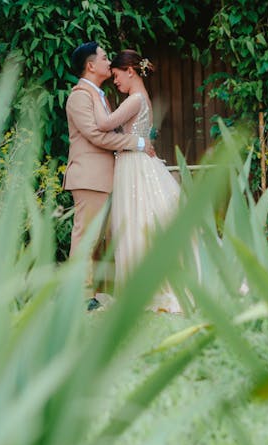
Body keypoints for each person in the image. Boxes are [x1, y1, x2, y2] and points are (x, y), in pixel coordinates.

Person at [88, 50, 183, 313]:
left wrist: (94, 93)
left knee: (136, 223)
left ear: (130, 71)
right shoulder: (144, 99)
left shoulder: (134, 99)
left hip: (133, 166)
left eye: (117, 76)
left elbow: (105, 124)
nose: (115, 82)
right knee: (141, 221)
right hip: (137, 163)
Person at [63, 42, 154, 309]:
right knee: (85, 238)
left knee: (94, 239)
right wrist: (136, 143)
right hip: (89, 177)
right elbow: (96, 134)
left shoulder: (99, 95)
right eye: (103, 58)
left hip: (103, 177)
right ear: (91, 66)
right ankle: (80, 297)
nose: (108, 62)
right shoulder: (80, 96)